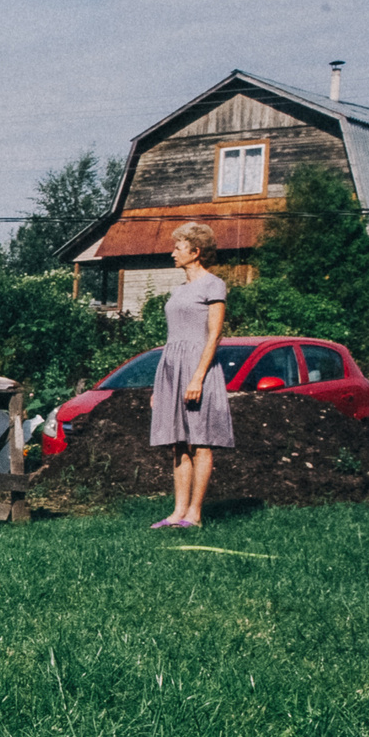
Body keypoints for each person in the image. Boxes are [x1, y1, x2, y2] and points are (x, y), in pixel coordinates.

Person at [149, 222, 231, 530]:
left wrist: (197, 377)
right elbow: (173, 337)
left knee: (201, 441)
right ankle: (177, 512)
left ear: (195, 252)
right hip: (171, 367)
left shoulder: (213, 285)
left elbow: (214, 335)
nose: (173, 253)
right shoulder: (178, 289)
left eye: (178, 248)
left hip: (200, 367)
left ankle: (195, 514)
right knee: (177, 443)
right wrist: (161, 386)